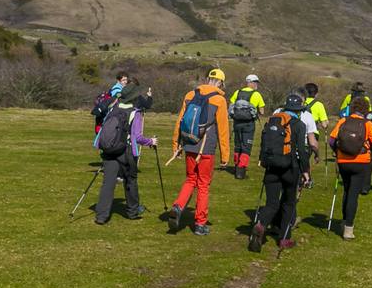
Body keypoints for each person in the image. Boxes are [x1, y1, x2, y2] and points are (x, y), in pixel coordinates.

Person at [168, 68, 231, 235]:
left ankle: (178, 206)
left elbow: (180, 121)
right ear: (221, 83)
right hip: (206, 148)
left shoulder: (190, 95)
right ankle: (200, 223)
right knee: (203, 185)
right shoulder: (219, 100)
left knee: (190, 179)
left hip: (189, 143)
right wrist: (225, 155)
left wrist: (176, 144)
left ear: (207, 79)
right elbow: (223, 130)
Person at [250, 93, 313, 252]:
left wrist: (262, 160)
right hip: (290, 169)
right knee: (288, 203)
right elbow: (301, 151)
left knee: (272, 203)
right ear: (299, 110)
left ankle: (261, 224)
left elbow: (264, 143)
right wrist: (305, 171)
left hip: (271, 167)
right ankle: (284, 239)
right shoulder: (299, 125)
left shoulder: (274, 120)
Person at [92, 85, 156, 224]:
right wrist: (151, 141)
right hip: (125, 151)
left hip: (109, 150)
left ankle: (101, 216)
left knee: (108, 183)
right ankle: (133, 212)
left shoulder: (113, 108)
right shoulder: (135, 112)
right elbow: (138, 137)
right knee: (130, 180)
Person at [328, 95, 372, 240]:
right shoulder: (367, 124)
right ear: (365, 110)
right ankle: (348, 229)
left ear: (352, 108)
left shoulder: (343, 121)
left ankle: (344, 221)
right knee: (353, 194)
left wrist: (337, 152)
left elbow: (331, 140)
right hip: (361, 162)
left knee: (346, 190)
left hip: (343, 161)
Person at [229, 74, 267, 180]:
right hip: (249, 124)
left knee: (237, 145)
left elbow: (231, 105)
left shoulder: (237, 92)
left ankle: (236, 166)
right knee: (246, 147)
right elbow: (262, 111)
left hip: (236, 123)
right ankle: (241, 171)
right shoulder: (256, 94)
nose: (256, 85)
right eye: (256, 82)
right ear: (252, 83)